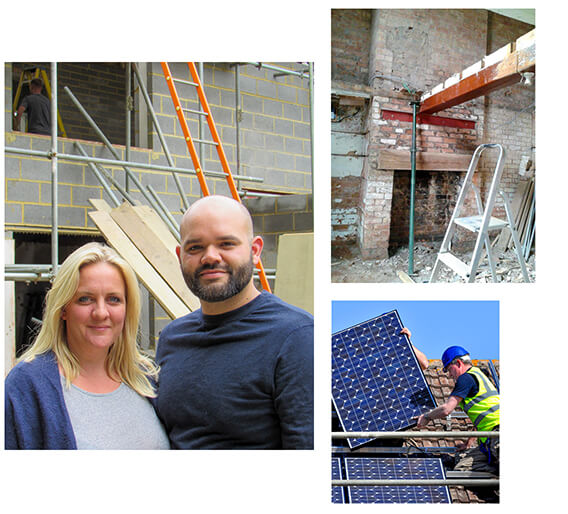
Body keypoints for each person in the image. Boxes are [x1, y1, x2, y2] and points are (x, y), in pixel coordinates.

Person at [155, 195, 314, 449]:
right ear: (180, 255)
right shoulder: (172, 338)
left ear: (255, 251)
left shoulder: (297, 337)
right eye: (195, 247)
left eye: (226, 244)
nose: (210, 257)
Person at [5, 242, 170, 450]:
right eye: (85, 299)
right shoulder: (28, 385)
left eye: (114, 299)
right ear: (63, 309)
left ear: (128, 309)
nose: (101, 312)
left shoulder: (146, 377)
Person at [416, 345, 500, 501]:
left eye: (449, 369)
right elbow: (482, 415)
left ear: (458, 363)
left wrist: (427, 417)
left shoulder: (465, 379)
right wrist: (469, 442)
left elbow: (447, 409)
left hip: (499, 436)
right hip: (489, 440)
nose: (449, 376)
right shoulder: (479, 375)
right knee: (462, 468)